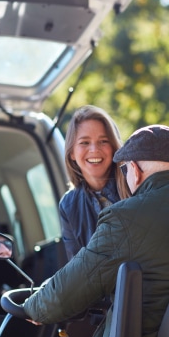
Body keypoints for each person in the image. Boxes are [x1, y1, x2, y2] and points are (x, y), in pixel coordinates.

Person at [23, 124, 169, 337]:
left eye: (124, 169)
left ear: (134, 169)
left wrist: (32, 307)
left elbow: (66, 294)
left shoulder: (123, 217)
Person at [59, 105, 131, 261]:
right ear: (72, 153)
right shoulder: (68, 205)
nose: (94, 149)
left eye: (103, 141)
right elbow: (76, 270)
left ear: (114, 148)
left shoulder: (135, 186)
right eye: (84, 142)